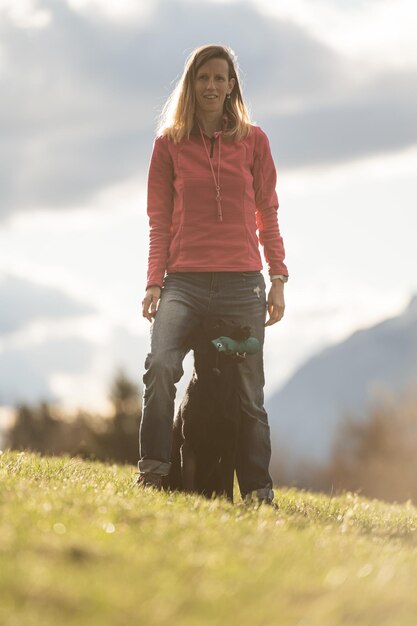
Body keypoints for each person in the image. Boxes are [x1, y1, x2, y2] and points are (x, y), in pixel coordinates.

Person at [137, 44, 288, 505]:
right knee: (162, 367)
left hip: (243, 284)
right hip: (184, 282)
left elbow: (268, 212)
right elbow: (159, 220)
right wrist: (153, 281)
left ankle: (258, 491)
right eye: (203, 77)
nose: (211, 86)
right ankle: (154, 474)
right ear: (191, 84)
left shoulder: (255, 141)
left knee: (248, 392)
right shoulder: (168, 145)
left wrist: (278, 276)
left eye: (220, 78)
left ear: (231, 86)